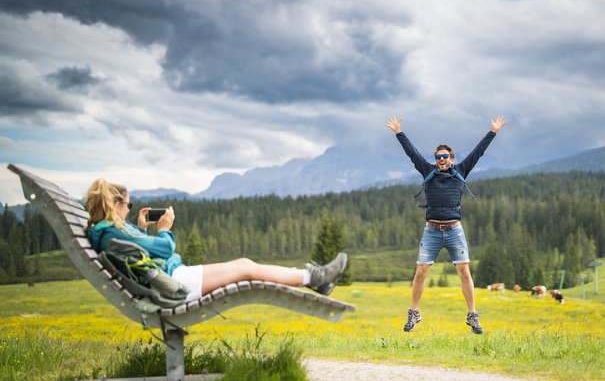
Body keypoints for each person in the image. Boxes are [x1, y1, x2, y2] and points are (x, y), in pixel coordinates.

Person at [84, 179, 347, 303]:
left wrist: (140, 229)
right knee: (245, 267)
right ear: (115, 204)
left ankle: (312, 279)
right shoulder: (113, 233)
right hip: (176, 283)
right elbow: (166, 248)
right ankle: (315, 277)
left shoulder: (106, 232)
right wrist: (164, 228)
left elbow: (134, 250)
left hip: (170, 279)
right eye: (127, 205)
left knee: (246, 268)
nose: (129, 209)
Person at [385, 115, 506, 334]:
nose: (442, 159)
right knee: (420, 272)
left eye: (445, 156)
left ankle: (472, 315)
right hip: (431, 230)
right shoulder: (427, 171)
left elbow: (478, 152)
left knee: (464, 272)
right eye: (438, 156)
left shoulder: (460, 170)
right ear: (435, 159)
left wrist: (493, 132)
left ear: (451, 158)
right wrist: (398, 132)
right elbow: (411, 153)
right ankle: (414, 312)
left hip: (454, 230)